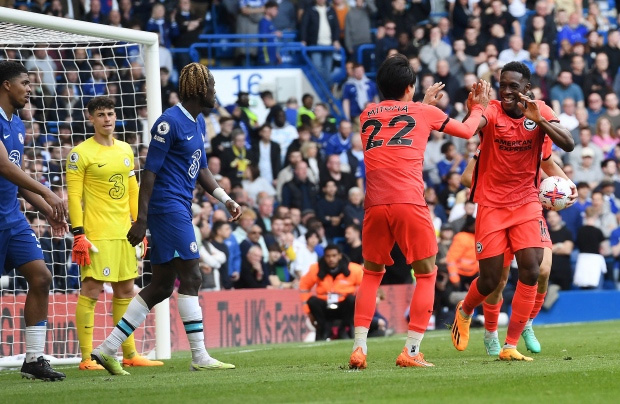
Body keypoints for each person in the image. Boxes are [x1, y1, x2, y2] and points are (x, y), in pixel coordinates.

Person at [91, 63, 242, 375]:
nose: (215, 93)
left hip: (179, 207)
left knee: (160, 286)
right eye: (211, 87)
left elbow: (200, 169)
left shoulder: (196, 123)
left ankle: (106, 349)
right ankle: (199, 356)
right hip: (166, 208)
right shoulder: (168, 123)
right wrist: (142, 219)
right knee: (193, 277)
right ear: (201, 91)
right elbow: (149, 172)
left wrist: (225, 199)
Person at [348, 53, 491, 370]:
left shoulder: (366, 114)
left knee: (371, 275)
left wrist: (420, 103)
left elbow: (398, 120)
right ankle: (411, 351)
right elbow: (467, 131)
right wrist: (478, 107)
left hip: (373, 204)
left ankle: (359, 349)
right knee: (427, 273)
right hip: (409, 202)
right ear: (410, 87)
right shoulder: (424, 111)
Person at [451, 61, 575, 362]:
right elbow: (470, 130)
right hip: (492, 205)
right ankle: (465, 309)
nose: (507, 91)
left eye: (513, 86)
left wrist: (540, 121)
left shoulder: (541, 111)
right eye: (503, 84)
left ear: (527, 89)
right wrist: (475, 109)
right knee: (491, 280)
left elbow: (568, 144)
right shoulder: (491, 111)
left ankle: (510, 344)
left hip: (527, 203)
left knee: (533, 269)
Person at [66, 96, 163, 371]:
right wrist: (78, 233)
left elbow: (132, 190)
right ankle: (86, 358)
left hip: (125, 232)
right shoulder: (80, 153)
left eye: (110, 113)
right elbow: (74, 196)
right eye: (101, 115)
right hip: (96, 234)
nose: (107, 118)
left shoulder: (125, 149)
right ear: (91, 119)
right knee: (92, 290)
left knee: (125, 290)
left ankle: (129, 353)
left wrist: (139, 226)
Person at [460, 131, 576, 356]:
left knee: (542, 270)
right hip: (496, 211)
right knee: (498, 280)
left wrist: (568, 187)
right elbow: (467, 177)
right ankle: (491, 332)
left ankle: (527, 323)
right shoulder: (495, 137)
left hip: (529, 211)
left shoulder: (540, 134)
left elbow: (548, 164)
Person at [0, 60, 68, 381]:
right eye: (25, 83)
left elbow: (19, 180)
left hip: (11, 216)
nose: (30, 89)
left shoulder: (18, 124)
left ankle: (33, 359)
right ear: (6, 86)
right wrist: (51, 194)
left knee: (40, 277)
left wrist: (47, 210)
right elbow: (5, 167)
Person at [299, 244, 363, 341]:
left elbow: (365, 286)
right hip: (325, 305)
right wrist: (308, 312)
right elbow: (304, 286)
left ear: (340, 256)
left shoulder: (354, 269)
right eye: (328, 256)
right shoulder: (316, 269)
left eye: (334, 256)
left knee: (351, 300)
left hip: (343, 306)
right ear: (324, 257)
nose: (331, 259)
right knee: (312, 301)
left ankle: (343, 329)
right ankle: (324, 329)